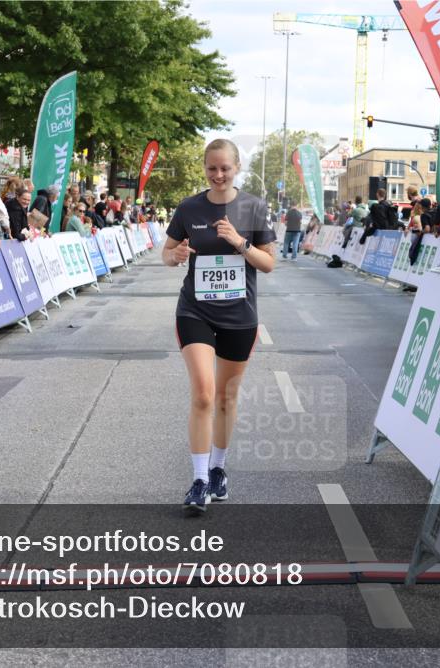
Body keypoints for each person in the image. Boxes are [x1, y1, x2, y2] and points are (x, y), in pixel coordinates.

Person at [162, 138, 276, 513]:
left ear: (237, 166)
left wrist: (240, 242)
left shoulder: (254, 207)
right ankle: (197, 481)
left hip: (240, 316)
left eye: (225, 167)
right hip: (195, 310)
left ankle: (218, 471)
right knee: (204, 394)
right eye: (211, 168)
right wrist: (175, 255)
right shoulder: (189, 207)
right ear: (205, 169)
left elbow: (269, 263)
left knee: (226, 398)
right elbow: (167, 252)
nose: (218, 174)